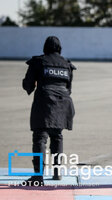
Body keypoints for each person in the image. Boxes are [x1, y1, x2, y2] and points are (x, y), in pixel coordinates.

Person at [22, 36, 76, 186]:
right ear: (60, 48)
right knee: (57, 136)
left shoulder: (38, 61)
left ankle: (38, 176)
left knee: (40, 138)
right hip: (63, 102)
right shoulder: (67, 64)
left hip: (44, 102)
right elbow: (69, 89)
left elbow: (28, 85)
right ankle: (57, 173)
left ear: (45, 47)